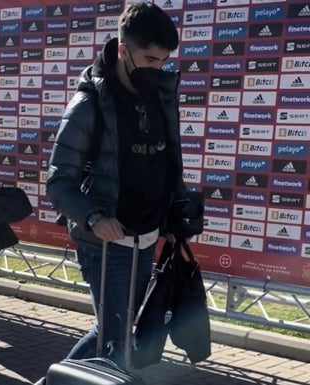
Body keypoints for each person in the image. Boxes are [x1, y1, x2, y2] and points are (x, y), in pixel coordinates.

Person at [46, 2, 186, 368]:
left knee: (114, 332)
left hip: (147, 237)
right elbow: (59, 183)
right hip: (106, 244)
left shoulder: (161, 96)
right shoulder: (87, 105)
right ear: (123, 50)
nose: (158, 69)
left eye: (164, 61)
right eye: (151, 59)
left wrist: (175, 212)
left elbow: (168, 161)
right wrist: (93, 216)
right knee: (116, 336)